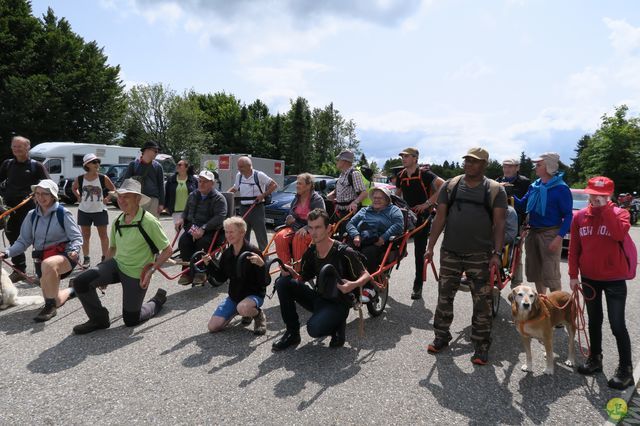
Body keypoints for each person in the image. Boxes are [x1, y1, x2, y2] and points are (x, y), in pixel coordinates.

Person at [425, 147, 507, 365]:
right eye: (467, 160)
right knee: (444, 296)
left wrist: (497, 254)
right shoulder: (451, 186)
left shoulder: (495, 190)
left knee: (482, 301)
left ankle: (481, 344)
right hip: (450, 251)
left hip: (480, 255)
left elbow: (500, 224)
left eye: (475, 161)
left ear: (485, 164)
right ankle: (441, 336)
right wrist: (430, 246)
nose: (469, 164)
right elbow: (440, 218)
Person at [70, 179, 172, 334]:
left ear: (137, 199)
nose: (121, 200)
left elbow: (168, 250)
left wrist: (151, 271)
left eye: (126, 197)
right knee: (81, 281)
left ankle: (157, 301)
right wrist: (103, 270)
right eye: (119, 196)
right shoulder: (119, 220)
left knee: (131, 320)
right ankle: (99, 319)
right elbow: (112, 248)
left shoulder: (149, 221)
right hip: (117, 266)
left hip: (137, 272)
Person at [272, 208, 370, 350]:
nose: (313, 232)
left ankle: (338, 326)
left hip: (339, 303)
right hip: (320, 298)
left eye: (318, 227)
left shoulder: (343, 251)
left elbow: (366, 274)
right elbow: (303, 277)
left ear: (328, 228)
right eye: (310, 228)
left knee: (314, 329)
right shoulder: (311, 252)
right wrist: (292, 273)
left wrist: (353, 284)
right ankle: (292, 334)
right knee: (283, 283)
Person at [569, 176, 634, 390]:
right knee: (594, 321)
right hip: (589, 279)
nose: (596, 198)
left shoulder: (621, 213)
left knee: (617, 325)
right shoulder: (579, 216)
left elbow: (617, 233)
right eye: (593, 194)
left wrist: (605, 209)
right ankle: (595, 358)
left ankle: (626, 370)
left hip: (615, 279)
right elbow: (574, 249)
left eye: (602, 195)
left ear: (610, 196)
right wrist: (572, 275)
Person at [0, 179, 81, 322]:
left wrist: (74, 250)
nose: (40, 197)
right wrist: (6, 252)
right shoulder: (31, 215)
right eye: (37, 193)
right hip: (41, 261)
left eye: (45, 194)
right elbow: (23, 241)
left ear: (53, 196)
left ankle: (49, 309)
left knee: (49, 265)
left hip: (65, 257)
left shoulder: (63, 213)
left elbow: (76, 237)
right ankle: (73, 289)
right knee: (53, 299)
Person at [514, 152, 572, 294]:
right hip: (533, 232)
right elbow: (522, 206)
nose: (535, 167)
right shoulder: (534, 186)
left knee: (551, 274)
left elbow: (569, 215)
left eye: (539, 165)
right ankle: (543, 304)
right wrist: (508, 194)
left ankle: (557, 310)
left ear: (549, 166)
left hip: (550, 233)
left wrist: (559, 238)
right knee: (536, 272)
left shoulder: (561, 188)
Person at [395, 147, 444, 299]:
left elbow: (444, 186)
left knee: (419, 251)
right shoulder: (401, 175)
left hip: (422, 216)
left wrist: (428, 203)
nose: (403, 159)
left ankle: (418, 284)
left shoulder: (425, 174)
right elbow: (397, 195)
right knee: (391, 243)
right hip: (406, 215)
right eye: (402, 156)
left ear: (415, 158)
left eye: (407, 156)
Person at [207, 217, 268, 335]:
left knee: (243, 308)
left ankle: (258, 314)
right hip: (235, 297)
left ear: (242, 233)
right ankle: (241, 311)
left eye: (232, 232)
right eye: (226, 231)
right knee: (213, 327)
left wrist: (261, 266)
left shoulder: (252, 251)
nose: (228, 235)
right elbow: (221, 278)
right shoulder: (227, 253)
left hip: (253, 295)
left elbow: (265, 281)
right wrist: (209, 264)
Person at [0, 136, 49, 282]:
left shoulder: (37, 166)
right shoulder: (7, 164)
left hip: (29, 208)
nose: (16, 149)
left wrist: (38, 194)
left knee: (36, 239)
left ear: (27, 148)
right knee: (13, 238)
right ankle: (19, 269)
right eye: (14, 146)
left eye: (19, 146)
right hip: (10, 209)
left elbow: (48, 184)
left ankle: (42, 271)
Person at [346, 186, 404, 301]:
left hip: (379, 243)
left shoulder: (393, 210)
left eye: (380, 198)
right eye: (374, 197)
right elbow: (350, 224)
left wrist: (383, 237)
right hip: (361, 239)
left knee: (368, 253)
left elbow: (398, 225)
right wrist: (356, 235)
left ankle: (369, 288)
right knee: (346, 252)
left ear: (387, 199)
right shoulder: (365, 210)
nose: (376, 200)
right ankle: (348, 281)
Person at [176, 170, 227, 286]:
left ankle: (201, 272)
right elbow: (185, 212)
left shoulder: (219, 198)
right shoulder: (193, 195)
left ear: (212, 183)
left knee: (202, 243)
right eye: (200, 181)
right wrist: (182, 219)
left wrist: (203, 228)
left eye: (205, 182)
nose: (201, 184)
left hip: (212, 231)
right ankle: (187, 272)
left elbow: (220, 217)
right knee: (183, 242)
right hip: (193, 227)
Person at [273, 173, 325, 271]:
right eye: (297, 183)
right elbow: (291, 214)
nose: (297, 186)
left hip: (313, 229)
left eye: (300, 184)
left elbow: (320, 219)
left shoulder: (317, 199)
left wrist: (306, 228)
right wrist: (289, 219)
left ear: (309, 185)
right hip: (295, 226)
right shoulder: (296, 198)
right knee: (280, 237)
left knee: (299, 237)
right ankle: (286, 269)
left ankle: (299, 271)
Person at [72, 153, 116, 267]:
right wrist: (78, 196)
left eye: (98, 162)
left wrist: (107, 198)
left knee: (103, 235)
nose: (97, 164)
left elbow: (113, 189)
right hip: (84, 211)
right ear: (87, 165)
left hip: (100, 210)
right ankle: (86, 259)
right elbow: (74, 188)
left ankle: (105, 258)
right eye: (94, 162)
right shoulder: (80, 178)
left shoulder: (103, 178)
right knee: (85, 235)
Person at [227, 156, 277, 251]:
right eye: (238, 166)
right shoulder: (239, 175)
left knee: (260, 235)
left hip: (257, 208)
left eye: (241, 167)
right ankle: (245, 256)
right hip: (244, 208)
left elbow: (274, 185)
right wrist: (225, 194)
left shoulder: (259, 175)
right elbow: (235, 188)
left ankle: (264, 259)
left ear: (249, 166)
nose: (239, 169)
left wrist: (263, 195)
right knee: (244, 234)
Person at [122, 141, 165, 218]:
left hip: (153, 200)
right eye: (155, 151)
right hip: (137, 199)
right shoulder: (133, 164)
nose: (157, 153)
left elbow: (161, 186)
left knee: (152, 225)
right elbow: (126, 183)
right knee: (136, 224)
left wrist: (161, 203)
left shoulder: (158, 166)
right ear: (147, 150)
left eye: (157, 151)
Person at [326, 150, 368, 226]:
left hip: (350, 213)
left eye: (338, 160)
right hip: (339, 211)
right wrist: (331, 195)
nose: (337, 162)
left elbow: (364, 193)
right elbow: (340, 189)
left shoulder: (354, 173)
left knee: (345, 235)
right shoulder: (342, 174)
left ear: (344, 161)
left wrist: (354, 203)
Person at [497, 158, 530, 226]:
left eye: (510, 167)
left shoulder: (525, 182)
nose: (506, 169)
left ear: (517, 168)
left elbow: (526, 205)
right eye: (504, 167)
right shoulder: (497, 182)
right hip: (499, 219)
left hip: (518, 221)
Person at [164, 159, 197, 226]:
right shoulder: (171, 179)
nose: (177, 166)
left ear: (186, 168)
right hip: (176, 211)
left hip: (190, 211)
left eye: (180, 165)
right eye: (177, 164)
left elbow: (198, 194)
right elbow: (167, 194)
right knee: (179, 232)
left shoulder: (193, 180)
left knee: (189, 233)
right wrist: (166, 206)